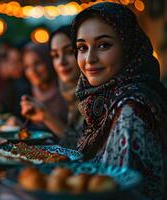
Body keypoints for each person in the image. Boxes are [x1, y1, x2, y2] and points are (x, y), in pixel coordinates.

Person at [71, 2, 167, 199]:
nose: (89, 59)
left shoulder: (131, 108)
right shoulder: (97, 102)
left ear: (127, 46)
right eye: (82, 47)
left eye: (104, 45)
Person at [20, 26, 82, 148]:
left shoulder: (93, 94)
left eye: (69, 52)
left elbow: (83, 147)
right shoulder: (67, 90)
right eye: (55, 55)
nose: (61, 62)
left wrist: (46, 116)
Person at [21, 42, 68, 131]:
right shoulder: (32, 90)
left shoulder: (67, 90)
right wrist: (20, 127)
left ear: (49, 62)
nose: (32, 71)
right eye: (27, 67)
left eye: (38, 63)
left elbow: (77, 140)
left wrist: (46, 116)